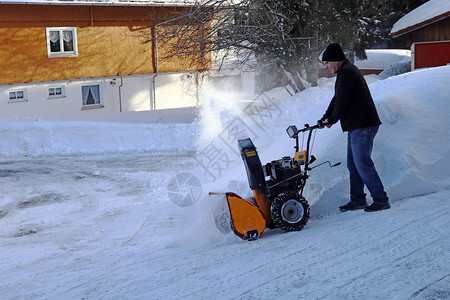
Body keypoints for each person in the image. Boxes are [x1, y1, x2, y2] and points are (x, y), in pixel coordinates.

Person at [318, 43, 390, 212]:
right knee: (353, 164)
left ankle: (381, 200)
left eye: (327, 62)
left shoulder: (347, 73)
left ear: (336, 60)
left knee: (363, 164)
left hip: (363, 125)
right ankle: (358, 199)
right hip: (356, 126)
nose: (326, 66)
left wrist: (332, 119)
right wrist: (325, 118)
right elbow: (337, 98)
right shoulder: (344, 73)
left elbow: (343, 101)